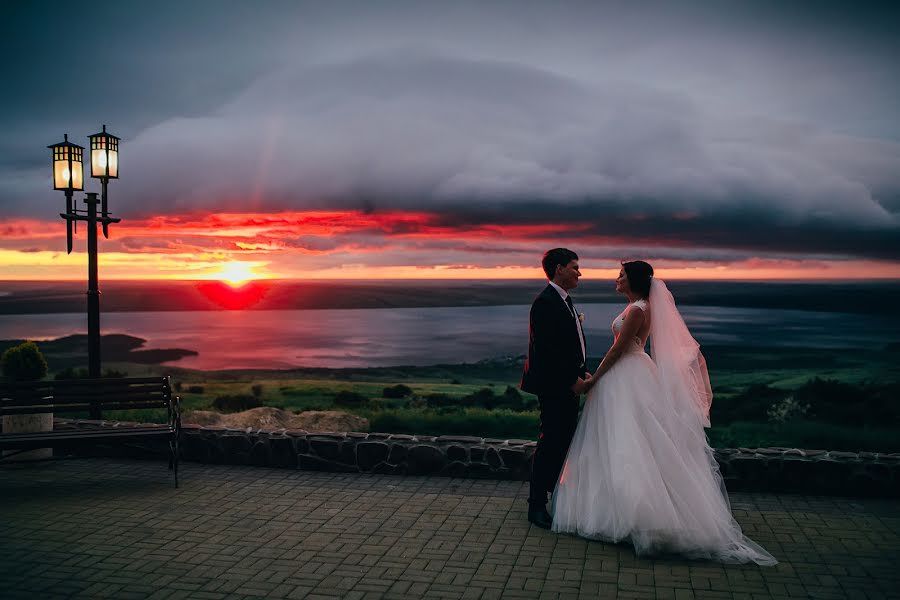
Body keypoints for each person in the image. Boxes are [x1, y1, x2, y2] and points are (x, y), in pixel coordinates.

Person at [550, 261, 777, 565]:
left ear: (633, 280)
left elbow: (618, 350)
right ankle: (625, 513)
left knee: (626, 443)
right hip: (638, 373)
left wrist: (593, 380)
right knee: (637, 441)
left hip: (625, 375)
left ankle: (634, 516)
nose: (616, 279)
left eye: (621, 275)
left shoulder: (636, 310)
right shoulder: (643, 306)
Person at [521, 248, 591, 529]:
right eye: (575, 267)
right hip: (554, 387)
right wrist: (571, 380)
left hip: (566, 384)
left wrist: (580, 369)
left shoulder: (564, 300)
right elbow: (547, 350)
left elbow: (569, 345)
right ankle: (536, 505)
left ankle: (554, 496)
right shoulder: (545, 302)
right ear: (559, 268)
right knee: (550, 442)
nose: (579, 272)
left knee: (562, 441)